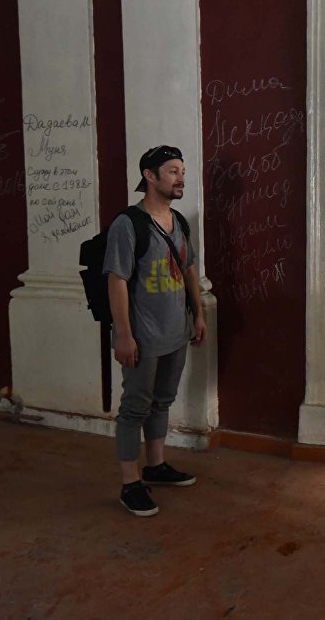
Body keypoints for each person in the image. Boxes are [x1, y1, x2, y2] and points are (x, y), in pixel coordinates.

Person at [103, 145, 207, 517]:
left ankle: (156, 465)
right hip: (143, 337)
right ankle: (130, 483)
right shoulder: (128, 224)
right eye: (173, 171)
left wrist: (198, 314)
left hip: (175, 332)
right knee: (134, 408)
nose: (181, 178)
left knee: (162, 401)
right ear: (150, 175)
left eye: (182, 171)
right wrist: (124, 334)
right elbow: (116, 280)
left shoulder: (178, 221)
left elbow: (189, 270)